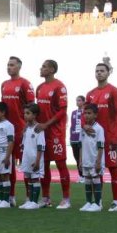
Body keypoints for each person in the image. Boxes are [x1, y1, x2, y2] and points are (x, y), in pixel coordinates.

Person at [84, 62, 117, 211]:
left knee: (113, 168)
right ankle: (97, 202)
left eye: (102, 70)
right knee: (96, 170)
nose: (99, 73)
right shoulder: (90, 93)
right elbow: (84, 113)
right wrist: (84, 126)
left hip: (110, 138)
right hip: (93, 139)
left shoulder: (114, 91)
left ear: (108, 73)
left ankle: (116, 202)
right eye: (97, 71)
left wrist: (115, 138)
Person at [35, 59, 71, 208]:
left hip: (55, 132)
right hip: (42, 132)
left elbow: (62, 111)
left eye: (44, 67)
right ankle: (46, 198)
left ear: (51, 70)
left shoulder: (59, 87)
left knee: (60, 164)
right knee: (43, 165)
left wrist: (47, 124)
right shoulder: (39, 87)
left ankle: (66, 199)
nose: (41, 68)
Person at [1, 56, 35, 206]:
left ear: (19, 67)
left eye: (12, 65)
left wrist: (28, 125)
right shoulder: (4, 84)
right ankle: (11, 196)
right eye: (8, 65)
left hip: (22, 129)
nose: (9, 67)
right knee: (8, 163)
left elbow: (32, 106)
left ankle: (29, 197)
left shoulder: (25, 83)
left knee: (26, 163)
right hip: (8, 129)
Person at [19, 103, 46, 210]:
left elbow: (40, 146)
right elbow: (24, 144)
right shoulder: (26, 128)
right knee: (29, 180)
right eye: (24, 113)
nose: (25, 115)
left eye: (28, 113)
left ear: (34, 115)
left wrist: (37, 161)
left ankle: (34, 202)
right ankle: (30, 201)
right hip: (27, 158)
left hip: (35, 159)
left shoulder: (38, 128)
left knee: (35, 179)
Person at [79, 103, 105, 212]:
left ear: (95, 115)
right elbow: (81, 145)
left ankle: (98, 204)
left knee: (96, 180)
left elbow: (100, 146)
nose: (86, 115)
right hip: (86, 160)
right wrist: (80, 160)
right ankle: (88, 202)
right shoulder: (83, 129)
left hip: (95, 161)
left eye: (89, 113)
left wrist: (98, 162)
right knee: (88, 181)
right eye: (85, 113)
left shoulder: (99, 129)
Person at [0, 102, 15, 208]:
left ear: (3, 112)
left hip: (3, 153)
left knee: (5, 176)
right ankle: (0, 199)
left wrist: (7, 156)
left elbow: (11, 141)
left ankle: (6, 201)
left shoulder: (8, 125)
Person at [70, 95, 85, 179]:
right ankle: (80, 175)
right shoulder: (73, 112)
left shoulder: (86, 112)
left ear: (83, 102)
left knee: (82, 158)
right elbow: (72, 125)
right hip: (74, 139)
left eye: (79, 100)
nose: (77, 102)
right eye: (77, 100)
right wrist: (70, 137)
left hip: (82, 139)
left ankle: (84, 175)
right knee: (76, 158)